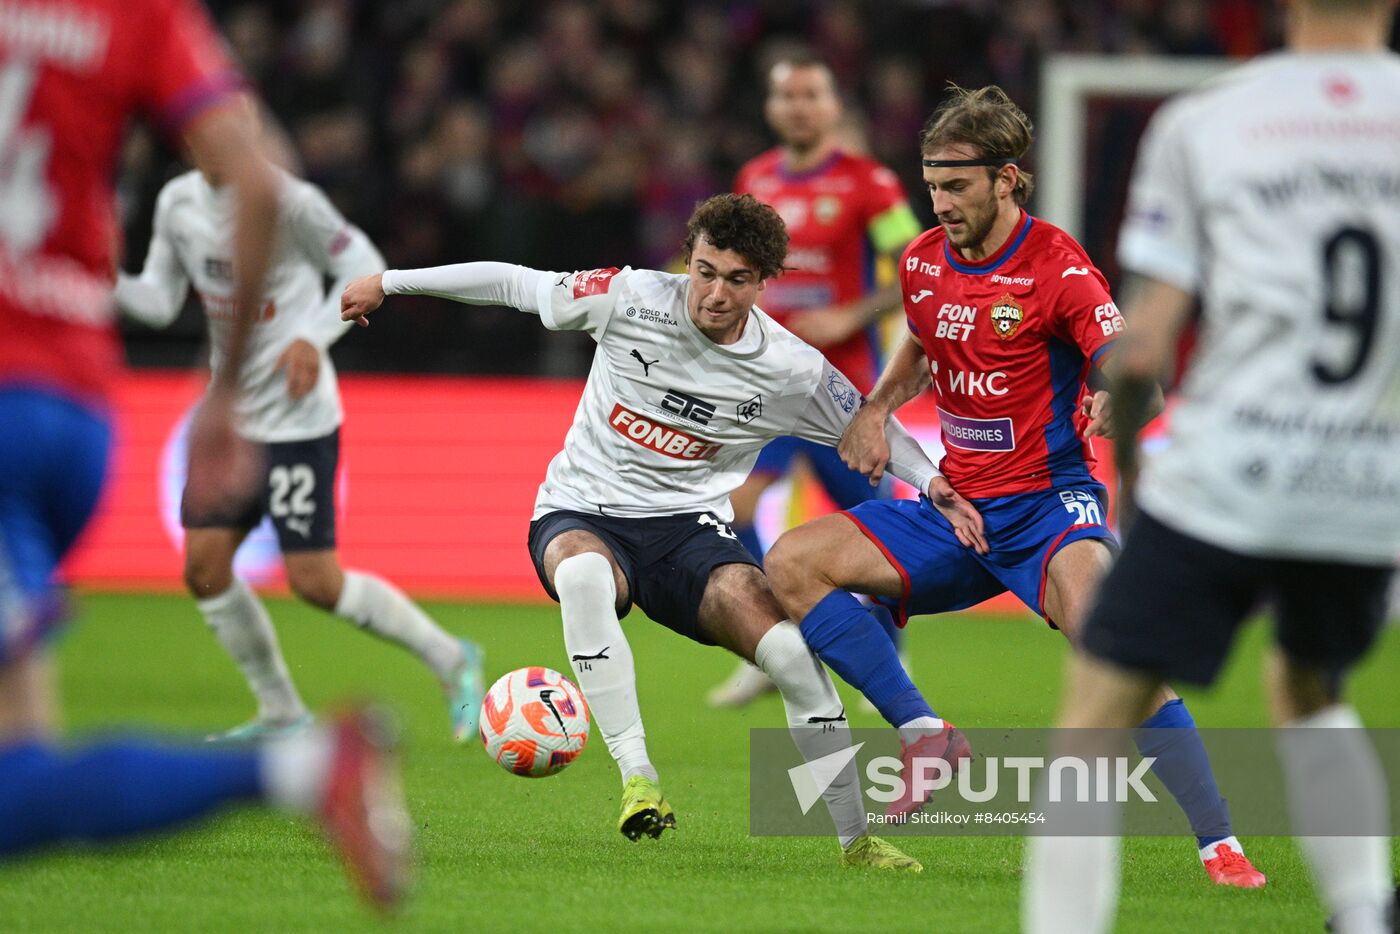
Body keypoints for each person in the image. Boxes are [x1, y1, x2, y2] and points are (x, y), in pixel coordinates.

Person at [342, 193, 982, 869]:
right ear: (689, 258)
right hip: (580, 511)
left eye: (736, 280)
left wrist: (933, 480)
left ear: (764, 283)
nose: (713, 293)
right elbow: (515, 283)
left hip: (688, 535)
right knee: (585, 576)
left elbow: (868, 423)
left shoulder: (791, 370)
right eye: (704, 270)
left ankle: (857, 842)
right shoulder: (629, 298)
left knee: (793, 657)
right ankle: (638, 780)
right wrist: (389, 281)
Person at [764, 84, 1265, 886]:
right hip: (958, 508)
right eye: (932, 185)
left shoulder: (1058, 266)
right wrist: (876, 408)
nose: (941, 202)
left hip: (1048, 506)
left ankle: (1219, 844)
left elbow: (1132, 371)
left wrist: (1115, 396)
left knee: (1112, 642)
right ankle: (926, 733)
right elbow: (922, 348)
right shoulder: (924, 261)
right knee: (791, 562)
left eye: (957, 185)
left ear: (1007, 180)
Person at [0, 0, 407, 908]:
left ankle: (296, 765)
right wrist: (223, 394)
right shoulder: (137, 15)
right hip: (68, 410)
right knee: (16, 772)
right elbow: (263, 183)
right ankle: (297, 768)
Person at [1024, 1, 1400, 930]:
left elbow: (1143, 348)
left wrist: (1142, 483)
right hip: (1367, 485)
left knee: (1096, 715)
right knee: (1310, 685)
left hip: (1230, 473)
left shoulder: (1209, 119)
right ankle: (1360, 913)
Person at [117, 162, 485, 744]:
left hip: (297, 417)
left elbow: (362, 261)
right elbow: (159, 303)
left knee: (314, 580)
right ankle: (281, 710)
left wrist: (312, 336)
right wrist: (96, 278)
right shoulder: (177, 202)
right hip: (230, 423)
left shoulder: (288, 200)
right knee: (204, 569)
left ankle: (451, 656)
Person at [708, 54, 924, 708]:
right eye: (787, 96)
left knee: (879, 527)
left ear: (832, 107)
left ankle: (889, 659)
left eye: (811, 94)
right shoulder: (756, 179)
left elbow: (916, 265)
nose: (799, 106)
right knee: (733, 510)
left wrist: (850, 314)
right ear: (772, 109)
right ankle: (774, 641)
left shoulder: (870, 184)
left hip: (843, 391)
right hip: (764, 384)